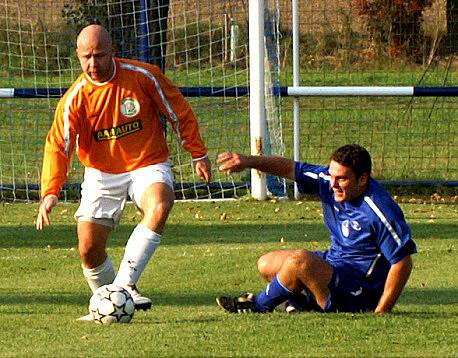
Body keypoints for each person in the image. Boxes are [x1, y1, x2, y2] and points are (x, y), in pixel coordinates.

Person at [35, 24, 212, 320]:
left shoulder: (143, 76)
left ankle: (125, 285)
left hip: (147, 162)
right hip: (101, 172)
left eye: (99, 55)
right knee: (89, 249)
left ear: (113, 52)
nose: (93, 64)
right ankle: (108, 305)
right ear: (78, 57)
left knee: (161, 203)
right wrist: (50, 192)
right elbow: (58, 144)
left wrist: (198, 152)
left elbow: (178, 110)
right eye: (86, 57)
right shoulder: (75, 97)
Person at [215, 144, 416, 315]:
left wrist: (381, 311)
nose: (333, 184)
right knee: (267, 264)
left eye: (342, 179)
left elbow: (402, 262)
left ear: (362, 179)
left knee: (299, 261)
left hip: (359, 289)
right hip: (334, 265)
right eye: (331, 175)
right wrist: (247, 161)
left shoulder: (379, 210)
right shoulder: (328, 181)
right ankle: (303, 303)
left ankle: (257, 305)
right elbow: (289, 168)